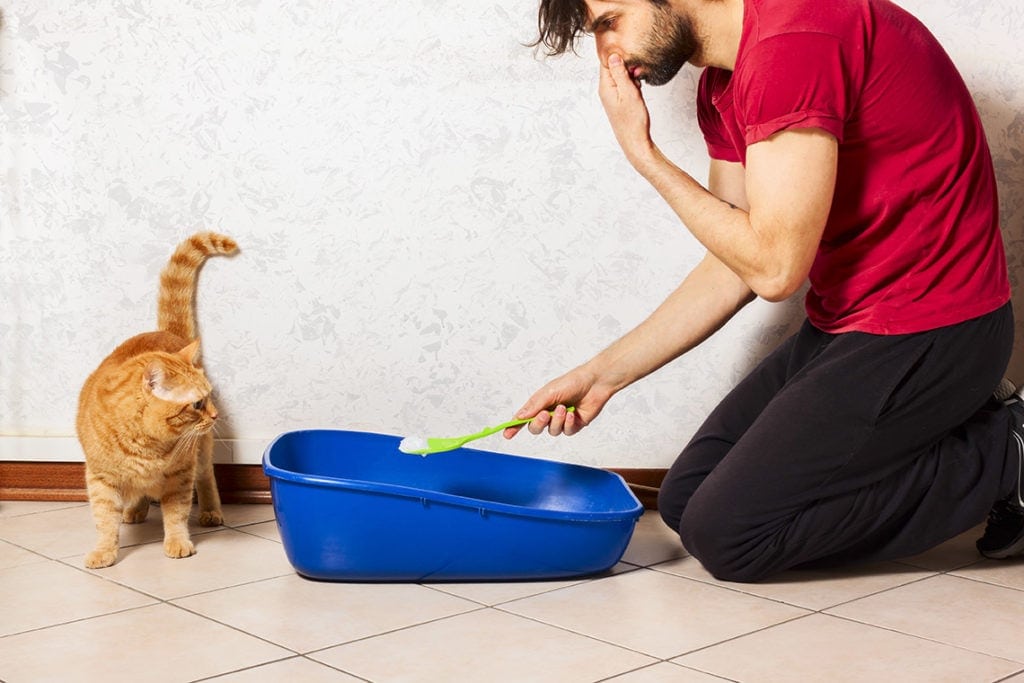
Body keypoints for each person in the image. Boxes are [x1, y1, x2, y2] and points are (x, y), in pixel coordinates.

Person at [505, 0, 1024, 582]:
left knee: (731, 537)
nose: (607, 53)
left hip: (934, 329)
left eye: (608, 21)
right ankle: (959, 423)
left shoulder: (795, 44)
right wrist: (601, 376)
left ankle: (1010, 455)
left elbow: (776, 270)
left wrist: (643, 155)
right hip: (850, 324)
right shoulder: (723, 84)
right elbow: (736, 265)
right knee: (684, 500)